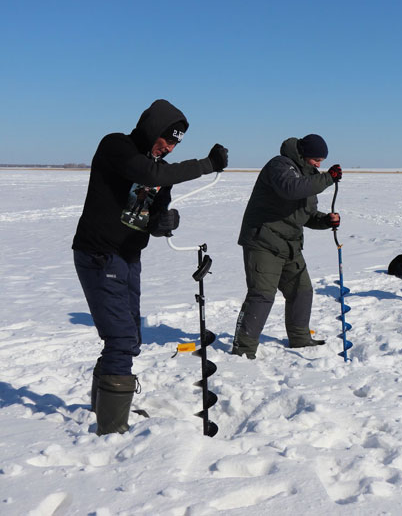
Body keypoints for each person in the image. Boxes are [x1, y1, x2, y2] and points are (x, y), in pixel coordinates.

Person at [72, 99, 228, 435]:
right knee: (120, 336)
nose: (169, 147)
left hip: (128, 257)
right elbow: (148, 173)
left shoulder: (163, 172)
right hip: (98, 254)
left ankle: (104, 408)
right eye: (167, 139)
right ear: (151, 129)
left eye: (175, 143)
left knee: (130, 339)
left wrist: (163, 222)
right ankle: (112, 428)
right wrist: (205, 165)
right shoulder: (116, 146)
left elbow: (156, 212)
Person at [231, 134, 342, 358]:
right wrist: (327, 178)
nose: (319, 164)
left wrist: (325, 220)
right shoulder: (279, 166)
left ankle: (300, 339)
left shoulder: (309, 175)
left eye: (322, 161)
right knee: (262, 295)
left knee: (302, 290)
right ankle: (243, 350)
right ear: (304, 154)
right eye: (316, 159)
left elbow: (306, 215)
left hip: (290, 244)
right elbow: (291, 189)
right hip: (263, 241)